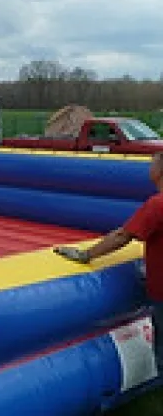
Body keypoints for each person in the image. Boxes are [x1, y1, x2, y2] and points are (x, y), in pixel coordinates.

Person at [54, 151, 163, 372]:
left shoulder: (157, 205)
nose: (149, 168)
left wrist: (86, 255)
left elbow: (123, 236)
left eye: (153, 164)